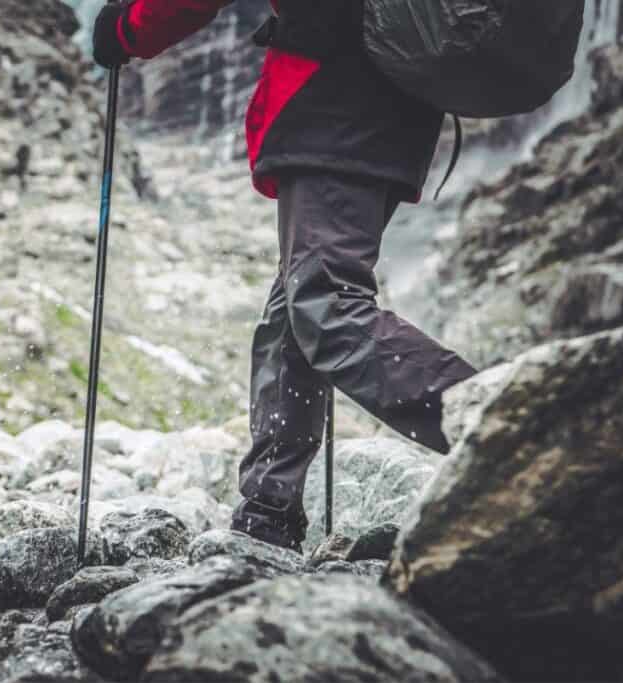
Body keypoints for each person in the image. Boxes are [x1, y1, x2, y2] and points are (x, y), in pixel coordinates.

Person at [92, 0, 478, 553]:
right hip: (397, 109)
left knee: (326, 306)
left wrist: (128, 28)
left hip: (332, 100)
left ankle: (513, 432)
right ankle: (268, 512)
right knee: (295, 310)